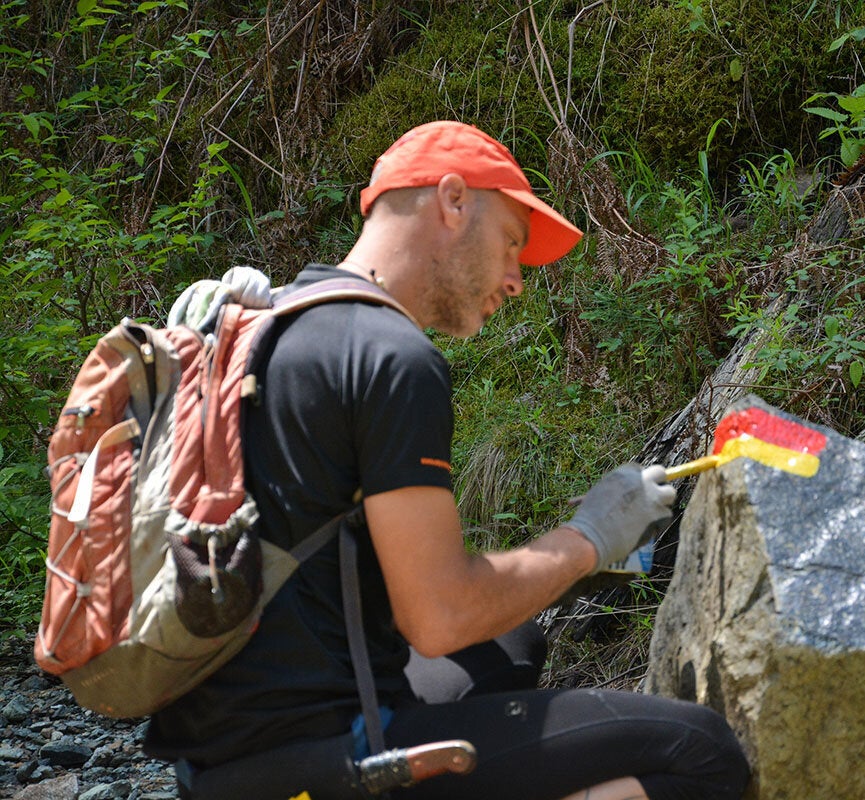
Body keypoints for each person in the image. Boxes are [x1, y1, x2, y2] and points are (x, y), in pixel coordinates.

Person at [144, 120, 750, 800]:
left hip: (222, 762)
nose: (516, 280)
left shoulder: (263, 323)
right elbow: (440, 616)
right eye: (511, 244)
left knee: (511, 644)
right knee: (702, 753)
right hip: (328, 754)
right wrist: (587, 539)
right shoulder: (393, 358)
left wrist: (589, 561)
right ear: (454, 201)